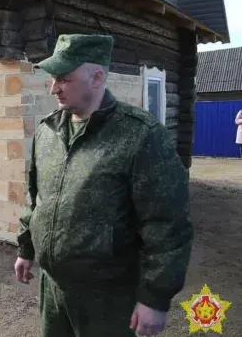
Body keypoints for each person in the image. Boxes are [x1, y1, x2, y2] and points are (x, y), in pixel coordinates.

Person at [14, 34, 194, 337]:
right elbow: (36, 197)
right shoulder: (47, 130)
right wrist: (26, 247)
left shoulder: (141, 135)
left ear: (97, 77)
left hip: (109, 298)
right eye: (53, 78)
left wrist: (155, 298)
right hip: (54, 290)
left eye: (64, 78)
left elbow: (166, 223)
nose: (53, 88)